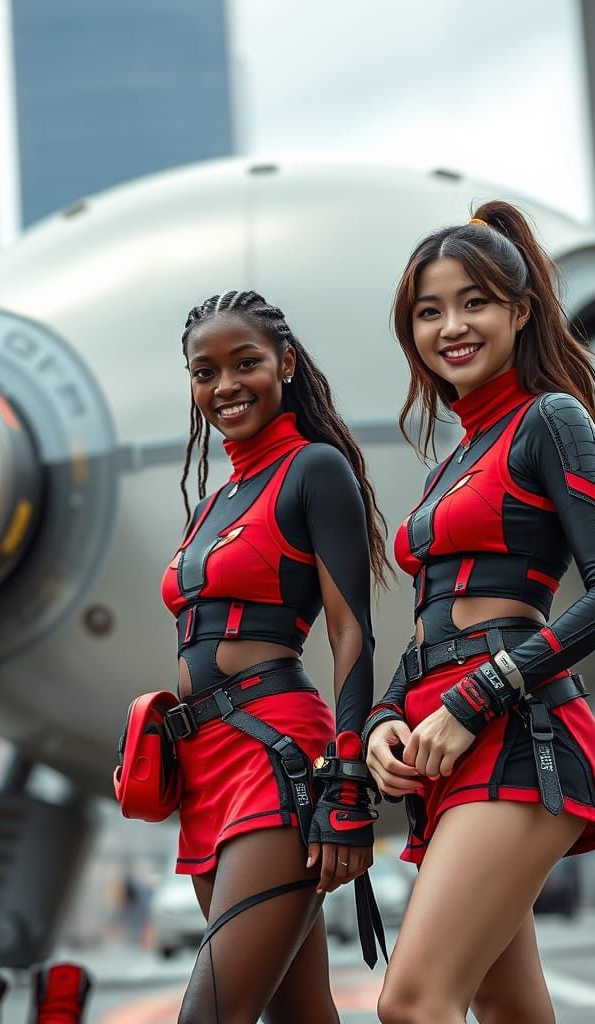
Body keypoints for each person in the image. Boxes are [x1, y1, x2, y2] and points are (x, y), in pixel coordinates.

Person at [363, 203, 595, 1024]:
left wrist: (473, 698)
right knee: (504, 1004)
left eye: (474, 302)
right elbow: (431, 622)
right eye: (428, 310)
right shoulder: (454, 455)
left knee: (413, 1003)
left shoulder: (550, 419)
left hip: (522, 737)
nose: (451, 326)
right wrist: (386, 715)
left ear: (520, 312)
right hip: (446, 749)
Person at [161, 290, 389, 1023]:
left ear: (285, 364)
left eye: (246, 363)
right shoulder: (213, 500)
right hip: (205, 773)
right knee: (299, 1016)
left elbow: (351, 633)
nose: (224, 385)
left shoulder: (314, 470)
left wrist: (348, 780)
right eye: (205, 371)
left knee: (210, 1016)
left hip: (275, 761)